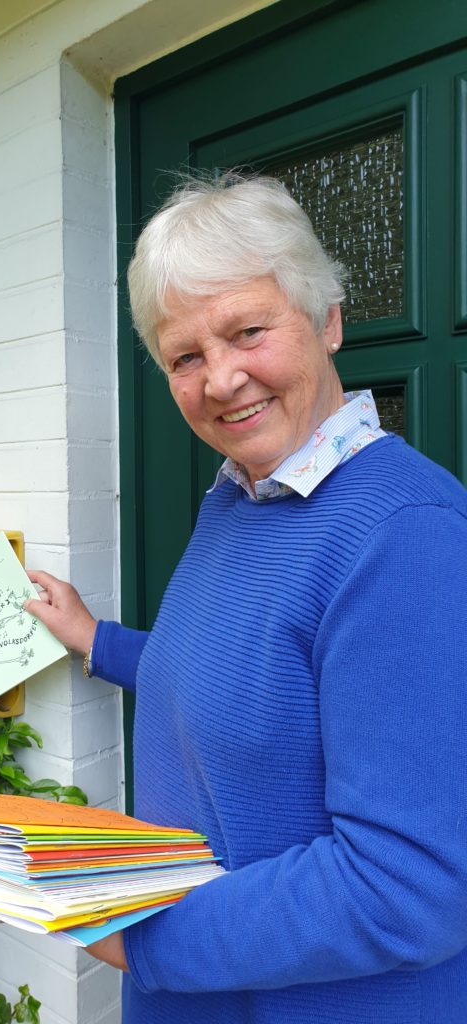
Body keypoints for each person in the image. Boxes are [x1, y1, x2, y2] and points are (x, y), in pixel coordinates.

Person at [25, 174, 467, 1024]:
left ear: (328, 319)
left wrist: (146, 937)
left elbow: (407, 886)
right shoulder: (240, 496)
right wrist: (95, 639)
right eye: (185, 356)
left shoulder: (407, 534)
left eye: (248, 331)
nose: (221, 378)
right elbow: (245, 680)